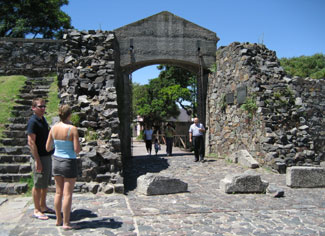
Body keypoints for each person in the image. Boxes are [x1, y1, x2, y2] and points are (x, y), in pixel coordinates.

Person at [46, 104, 81, 230]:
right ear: (69, 115)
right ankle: (66, 223)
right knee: (67, 194)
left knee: (58, 192)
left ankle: (58, 219)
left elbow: (48, 147)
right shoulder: (72, 129)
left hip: (56, 160)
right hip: (68, 161)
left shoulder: (53, 128)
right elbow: (77, 149)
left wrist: (59, 146)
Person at [27, 98, 55, 220]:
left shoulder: (42, 119)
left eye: (44, 106)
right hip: (40, 157)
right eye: (40, 107)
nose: (43, 108)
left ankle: (43, 206)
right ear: (33, 108)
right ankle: (37, 209)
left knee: (45, 183)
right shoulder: (33, 122)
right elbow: (31, 142)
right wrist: (37, 160)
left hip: (46, 156)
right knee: (38, 184)